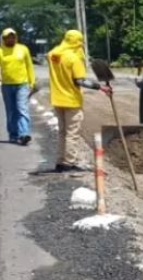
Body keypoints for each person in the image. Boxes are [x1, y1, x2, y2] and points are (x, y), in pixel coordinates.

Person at [47, 29, 111, 173]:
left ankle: (60, 161)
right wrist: (100, 87)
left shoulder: (53, 55)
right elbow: (80, 81)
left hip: (57, 99)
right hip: (71, 100)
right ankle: (69, 163)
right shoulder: (73, 59)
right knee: (72, 133)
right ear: (77, 42)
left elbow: (55, 58)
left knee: (62, 132)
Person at [0, 28, 36, 145]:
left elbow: (29, 66)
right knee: (11, 111)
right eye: (7, 37)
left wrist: (32, 83)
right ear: (3, 39)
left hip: (22, 84)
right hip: (7, 86)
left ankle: (24, 134)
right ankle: (13, 135)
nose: (10, 39)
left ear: (15, 37)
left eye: (12, 37)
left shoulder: (23, 49)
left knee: (22, 108)